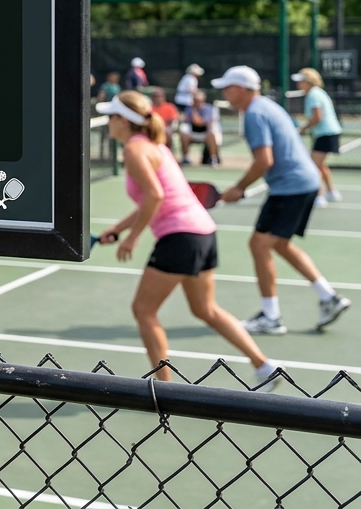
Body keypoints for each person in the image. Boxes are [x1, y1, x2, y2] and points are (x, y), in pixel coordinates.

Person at [94, 91, 278, 390]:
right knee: (206, 309)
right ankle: (264, 366)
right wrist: (119, 228)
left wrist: (133, 237)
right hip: (202, 233)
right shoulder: (157, 146)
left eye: (110, 117)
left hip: (179, 237)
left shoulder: (134, 151)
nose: (107, 123)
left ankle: (164, 389)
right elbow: (154, 200)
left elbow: (155, 196)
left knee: (143, 310)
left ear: (122, 121)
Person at [215, 65, 350, 334]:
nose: (224, 93)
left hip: (291, 187)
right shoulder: (268, 105)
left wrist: (239, 188)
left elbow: (264, 160)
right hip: (306, 183)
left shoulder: (254, 113)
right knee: (280, 245)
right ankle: (328, 297)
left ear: (242, 89)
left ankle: (271, 317)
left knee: (259, 245)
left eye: (227, 88)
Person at [292, 68, 343, 207]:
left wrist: (302, 128)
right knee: (320, 164)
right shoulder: (317, 93)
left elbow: (317, 117)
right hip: (327, 133)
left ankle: (319, 197)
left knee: (313, 166)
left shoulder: (314, 95)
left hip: (326, 134)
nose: (298, 84)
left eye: (301, 81)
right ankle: (332, 192)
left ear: (308, 82)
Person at [180, 90, 221, 166]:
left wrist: (195, 115)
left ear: (203, 100)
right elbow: (187, 121)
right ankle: (186, 158)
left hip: (206, 133)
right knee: (184, 133)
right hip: (192, 133)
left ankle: (213, 159)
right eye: (195, 100)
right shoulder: (189, 109)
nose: (196, 102)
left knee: (211, 135)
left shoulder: (209, 109)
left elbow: (200, 122)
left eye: (198, 101)